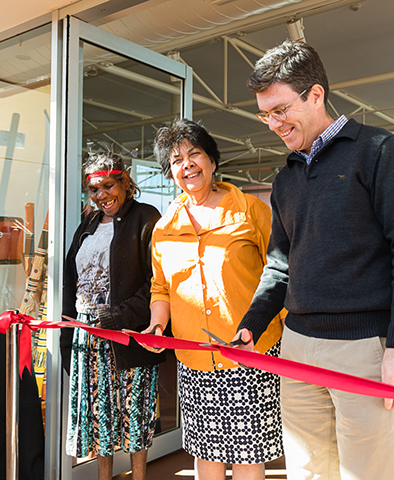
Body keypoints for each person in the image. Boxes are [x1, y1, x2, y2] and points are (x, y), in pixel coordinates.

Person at [232, 41, 394, 480]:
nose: (273, 123)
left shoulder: (378, 150)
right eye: (265, 114)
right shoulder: (284, 179)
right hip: (298, 346)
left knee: (370, 473)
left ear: (316, 95)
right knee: (306, 472)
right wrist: (252, 321)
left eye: (281, 109)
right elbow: (281, 264)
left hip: (364, 348)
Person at [144, 118, 284, 480]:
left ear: (212, 161)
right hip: (194, 357)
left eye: (195, 154)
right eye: (176, 160)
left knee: (248, 454)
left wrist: (287, 329)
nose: (187, 164)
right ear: (170, 172)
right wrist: (158, 325)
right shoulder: (164, 227)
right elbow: (161, 288)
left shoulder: (251, 210)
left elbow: (281, 272)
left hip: (250, 353)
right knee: (206, 454)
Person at [59, 151, 164, 480]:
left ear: (125, 181)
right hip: (86, 334)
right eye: (94, 189)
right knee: (98, 414)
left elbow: (158, 281)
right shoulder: (87, 223)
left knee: (134, 413)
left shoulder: (146, 217)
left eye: (108, 185)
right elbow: (70, 279)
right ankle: (103, 477)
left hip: (126, 333)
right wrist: (68, 326)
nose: (102, 194)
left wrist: (120, 316)